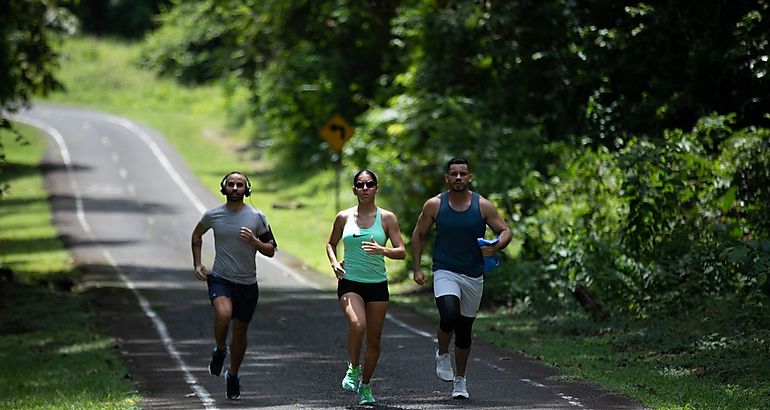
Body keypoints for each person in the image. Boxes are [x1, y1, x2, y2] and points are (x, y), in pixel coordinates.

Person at [411, 157, 512, 400]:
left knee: (465, 330)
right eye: (453, 174)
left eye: (463, 174)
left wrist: (496, 247)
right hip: (445, 270)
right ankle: (442, 352)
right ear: (446, 178)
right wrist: (417, 268)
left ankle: (460, 380)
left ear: (470, 177)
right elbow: (419, 235)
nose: (458, 178)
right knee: (448, 314)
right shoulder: (434, 205)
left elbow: (506, 231)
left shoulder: (483, 206)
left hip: (473, 274)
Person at [191, 171, 277, 400]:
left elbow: (271, 250)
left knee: (240, 332)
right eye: (231, 184)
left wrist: (255, 241)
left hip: (247, 283)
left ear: (246, 189)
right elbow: (196, 236)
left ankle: (234, 374)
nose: (235, 188)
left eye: (240, 185)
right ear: (224, 188)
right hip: (220, 277)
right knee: (223, 312)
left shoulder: (257, 217)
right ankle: (220, 349)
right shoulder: (213, 215)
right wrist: (198, 263)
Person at [326, 169, 406, 405]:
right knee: (357, 324)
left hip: (377, 285)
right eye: (360, 185)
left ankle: (366, 386)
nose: (364, 189)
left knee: (374, 340)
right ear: (354, 189)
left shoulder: (387, 218)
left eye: (369, 184)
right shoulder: (344, 217)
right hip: (350, 282)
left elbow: (401, 251)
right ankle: (353, 367)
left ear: (376, 188)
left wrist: (383, 250)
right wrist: (333, 263)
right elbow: (331, 243)